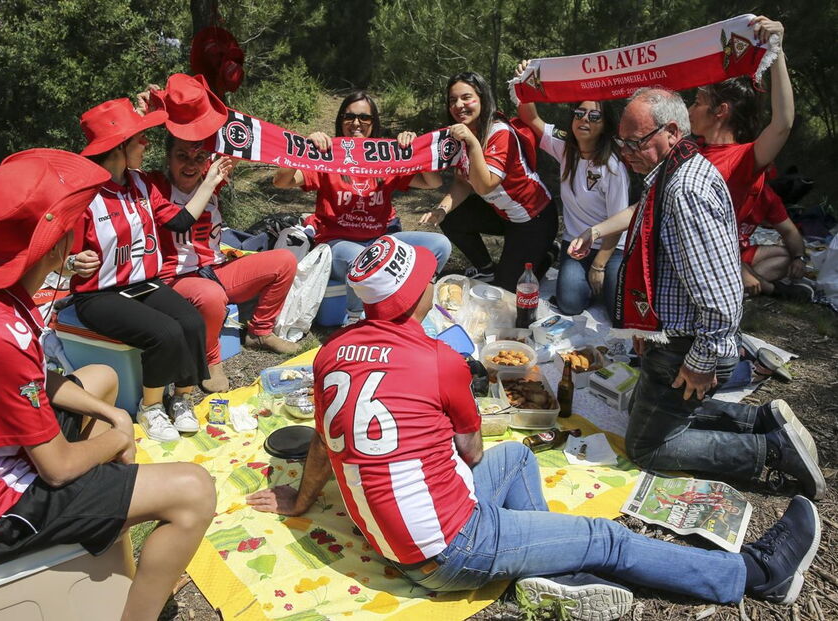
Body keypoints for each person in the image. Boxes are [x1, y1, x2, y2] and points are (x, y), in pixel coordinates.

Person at [245, 235, 821, 619]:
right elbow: (468, 455)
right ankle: (752, 574)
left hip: (397, 538)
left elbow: (324, 441)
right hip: (448, 548)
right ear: (417, 294)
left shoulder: (330, 355)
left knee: (519, 457)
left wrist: (301, 501)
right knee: (607, 536)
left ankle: (556, 573)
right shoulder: (439, 359)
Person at [0, 149, 216, 621]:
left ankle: (101, 535)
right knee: (194, 489)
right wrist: (119, 435)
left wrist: (112, 412)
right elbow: (56, 467)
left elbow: (30, 379)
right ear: (56, 246)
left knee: (101, 380)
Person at [592, 86, 824, 499]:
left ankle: (770, 450)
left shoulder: (685, 190)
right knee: (649, 411)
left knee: (648, 445)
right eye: (621, 141)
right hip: (673, 336)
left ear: (670, 131)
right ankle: (760, 421)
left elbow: (722, 297)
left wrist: (701, 361)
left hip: (688, 346)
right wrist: (647, 327)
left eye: (635, 142)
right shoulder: (670, 169)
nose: (625, 150)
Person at [68, 97, 227, 442]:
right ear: (119, 146)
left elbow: (181, 219)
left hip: (143, 283)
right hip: (98, 294)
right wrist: (72, 262)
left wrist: (210, 181)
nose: (146, 143)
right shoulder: (84, 193)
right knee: (165, 333)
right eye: (139, 138)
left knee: (191, 322)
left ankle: (181, 399)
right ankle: (150, 407)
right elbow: (57, 251)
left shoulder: (140, 184)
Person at [147, 74, 299, 392]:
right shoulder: (156, 187)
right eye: (182, 157)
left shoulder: (213, 177)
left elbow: (237, 140)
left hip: (215, 269)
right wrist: (147, 112)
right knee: (212, 296)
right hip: (176, 279)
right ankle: (210, 359)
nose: (191, 164)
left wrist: (300, 144)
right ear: (168, 159)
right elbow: (177, 222)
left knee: (284, 260)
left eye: (199, 157)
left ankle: (260, 331)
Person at [273, 90, 452, 324]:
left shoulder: (386, 158)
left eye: (364, 118)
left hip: (378, 241)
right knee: (363, 256)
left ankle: (409, 301)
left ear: (373, 123)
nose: (356, 123)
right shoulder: (327, 156)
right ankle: (356, 319)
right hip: (335, 245)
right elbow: (281, 181)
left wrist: (414, 151)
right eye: (349, 117)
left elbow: (433, 182)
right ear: (340, 121)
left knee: (439, 245)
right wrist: (302, 150)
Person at [688, 17, 812, 301]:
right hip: (703, 255)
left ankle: (750, 282)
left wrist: (777, 52)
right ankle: (769, 288)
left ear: (720, 111)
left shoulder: (744, 157)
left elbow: (782, 123)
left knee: (782, 256)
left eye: (696, 102)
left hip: (725, 256)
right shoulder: (688, 149)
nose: (689, 108)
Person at [420, 71, 557, 292]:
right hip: (502, 214)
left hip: (534, 218)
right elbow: (464, 183)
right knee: (452, 217)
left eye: (466, 97)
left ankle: (549, 253)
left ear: (482, 98)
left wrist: (473, 143)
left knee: (508, 289)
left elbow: (485, 185)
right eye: (452, 100)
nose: (459, 105)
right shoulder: (464, 134)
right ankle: (486, 268)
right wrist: (442, 210)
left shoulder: (499, 132)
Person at [515, 63, 630, 316]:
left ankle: (601, 280)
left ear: (605, 124)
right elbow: (530, 118)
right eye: (579, 113)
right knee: (569, 304)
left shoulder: (612, 167)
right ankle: (571, 271)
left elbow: (619, 223)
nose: (585, 120)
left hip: (611, 247)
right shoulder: (565, 147)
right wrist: (525, 81)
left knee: (618, 311)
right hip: (576, 243)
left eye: (594, 116)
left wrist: (599, 266)